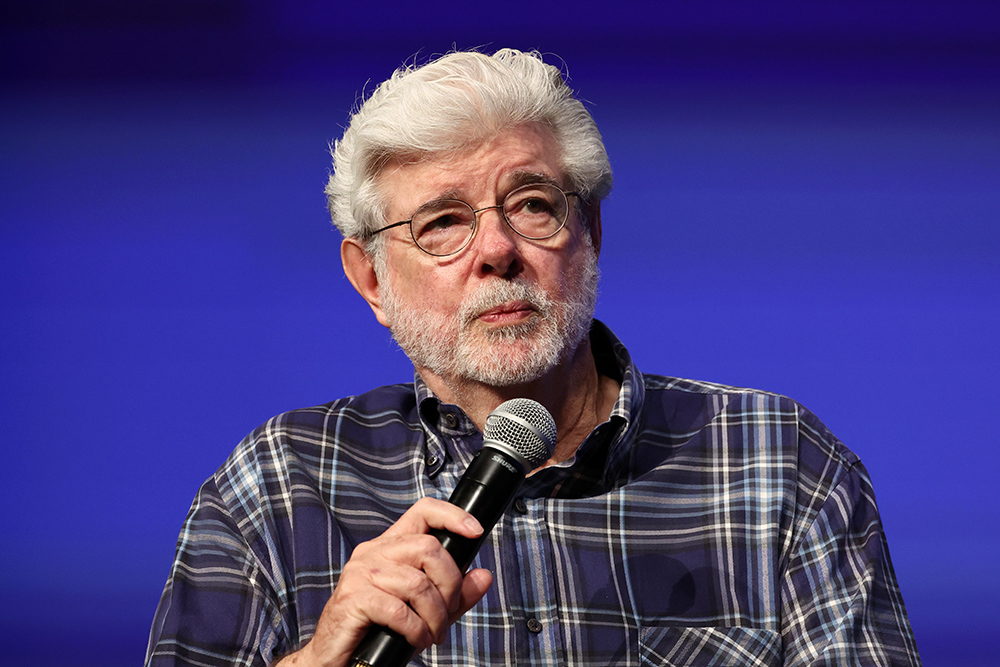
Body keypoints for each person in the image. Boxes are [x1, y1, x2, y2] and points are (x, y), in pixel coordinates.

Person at [146, 48, 921, 667]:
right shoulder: (277, 486)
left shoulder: (777, 463)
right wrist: (319, 659)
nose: (497, 250)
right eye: (443, 221)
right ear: (371, 278)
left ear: (590, 233)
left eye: (532, 205)